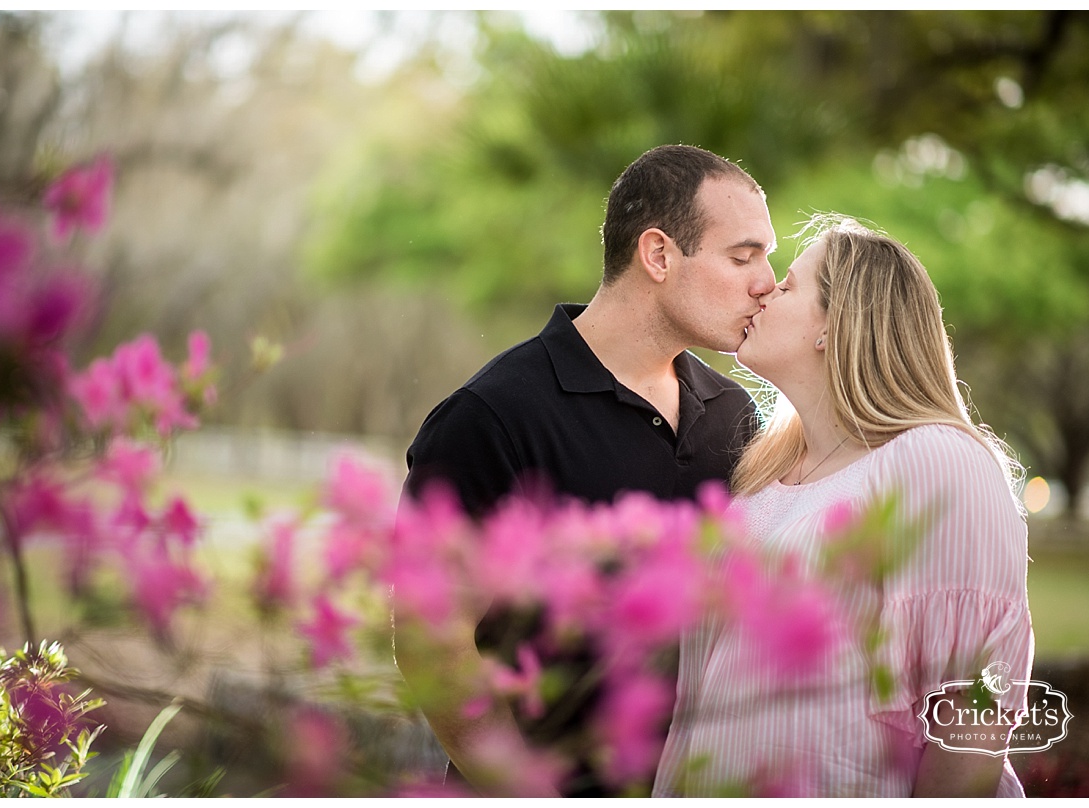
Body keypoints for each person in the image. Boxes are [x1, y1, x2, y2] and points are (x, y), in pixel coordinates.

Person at [393, 144, 778, 796]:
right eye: (743, 257)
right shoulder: (493, 414)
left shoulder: (734, 416)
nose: (767, 281)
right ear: (658, 255)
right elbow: (431, 636)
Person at [653, 215, 1035, 797]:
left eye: (788, 285)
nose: (763, 289)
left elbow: (972, 710)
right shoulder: (761, 482)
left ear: (835, 325)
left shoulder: (938, 461)